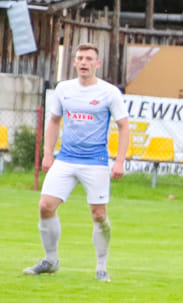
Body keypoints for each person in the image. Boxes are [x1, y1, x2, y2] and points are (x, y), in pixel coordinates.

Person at [23, 42, 130, 282]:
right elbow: (53, 121)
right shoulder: (64, 89)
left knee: (99, 214)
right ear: (74, 62)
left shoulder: (109, 92)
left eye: (89, 59)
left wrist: (120, 160)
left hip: (96, 161)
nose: (84, 62)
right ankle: (50, 260)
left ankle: (101, 267)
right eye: (80, 58)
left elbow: (124, 126)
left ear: (97, 64)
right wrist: (48, 153)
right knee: (45, 206)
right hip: (66, 158)